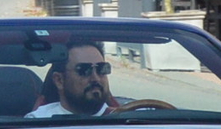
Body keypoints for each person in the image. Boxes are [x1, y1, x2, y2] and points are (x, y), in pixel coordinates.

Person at [27, 40, 176, 118]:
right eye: (84, 70)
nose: (95, 78)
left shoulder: (135, 117)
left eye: (101, 69)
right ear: (59, 80)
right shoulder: (38, 123)